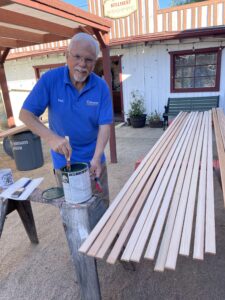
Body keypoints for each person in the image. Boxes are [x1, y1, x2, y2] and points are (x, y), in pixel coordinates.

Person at [19, 32, 113, 207]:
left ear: (95, 62)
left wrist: (97, 157)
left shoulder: (101, 87)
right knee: (72, 213)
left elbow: (105, 125)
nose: (82, 65)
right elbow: (25, 114)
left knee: (101, 207)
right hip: (64, 165)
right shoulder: (50, 80)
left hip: (94, 160)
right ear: (66, 55)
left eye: (89, 59)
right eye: (77, 57)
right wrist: (51, 137)